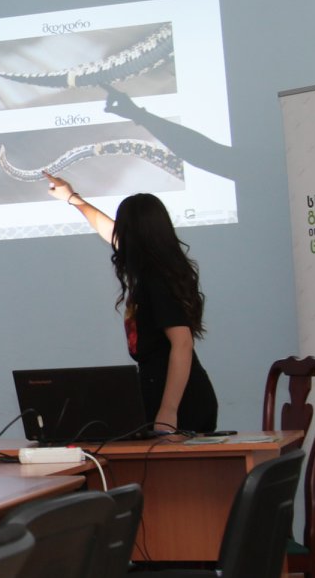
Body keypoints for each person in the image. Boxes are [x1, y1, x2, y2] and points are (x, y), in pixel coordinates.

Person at [45, 176, 219, 434]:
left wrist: (168, 411)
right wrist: (72, 198)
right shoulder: (157, 268)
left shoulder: (157, 280)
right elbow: (107, 230)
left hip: (179, 402)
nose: (116, 235)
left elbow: (182, 343)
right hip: (162, 389)